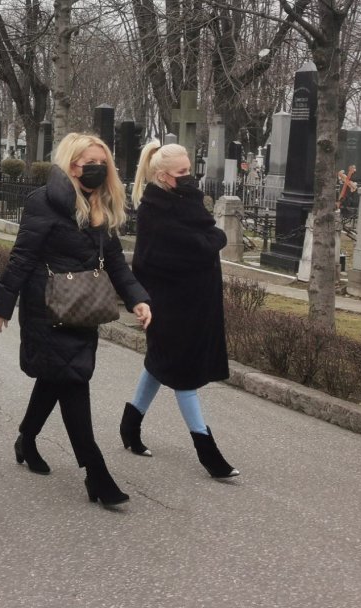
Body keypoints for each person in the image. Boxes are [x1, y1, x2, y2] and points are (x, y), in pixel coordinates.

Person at [0, 133, 152, 508]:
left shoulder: (100, 205)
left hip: (83, 308)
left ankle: (26, 440)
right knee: (73, 381)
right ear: (72, 165)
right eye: (90, 163)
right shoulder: (42, 202)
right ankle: (97, 473)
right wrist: (3, 302)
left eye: (103, 163)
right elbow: (23, 255)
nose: (98, 169)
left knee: (56, 378)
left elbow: (116, 264)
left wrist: (138, 299)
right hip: (47, 309)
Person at [119, 141, 239, 479]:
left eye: (189, 169)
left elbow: (205, 238)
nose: (190, 176)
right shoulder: (154, 211)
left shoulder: (187, 200)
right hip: (169, 306)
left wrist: (210, 240)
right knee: (184, 375)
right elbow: (198, 244)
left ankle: (130, 424)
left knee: (160, 364)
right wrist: (212, 240)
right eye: (182, 172)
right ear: (163, 176)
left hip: (195, 304)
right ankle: (207, 452)